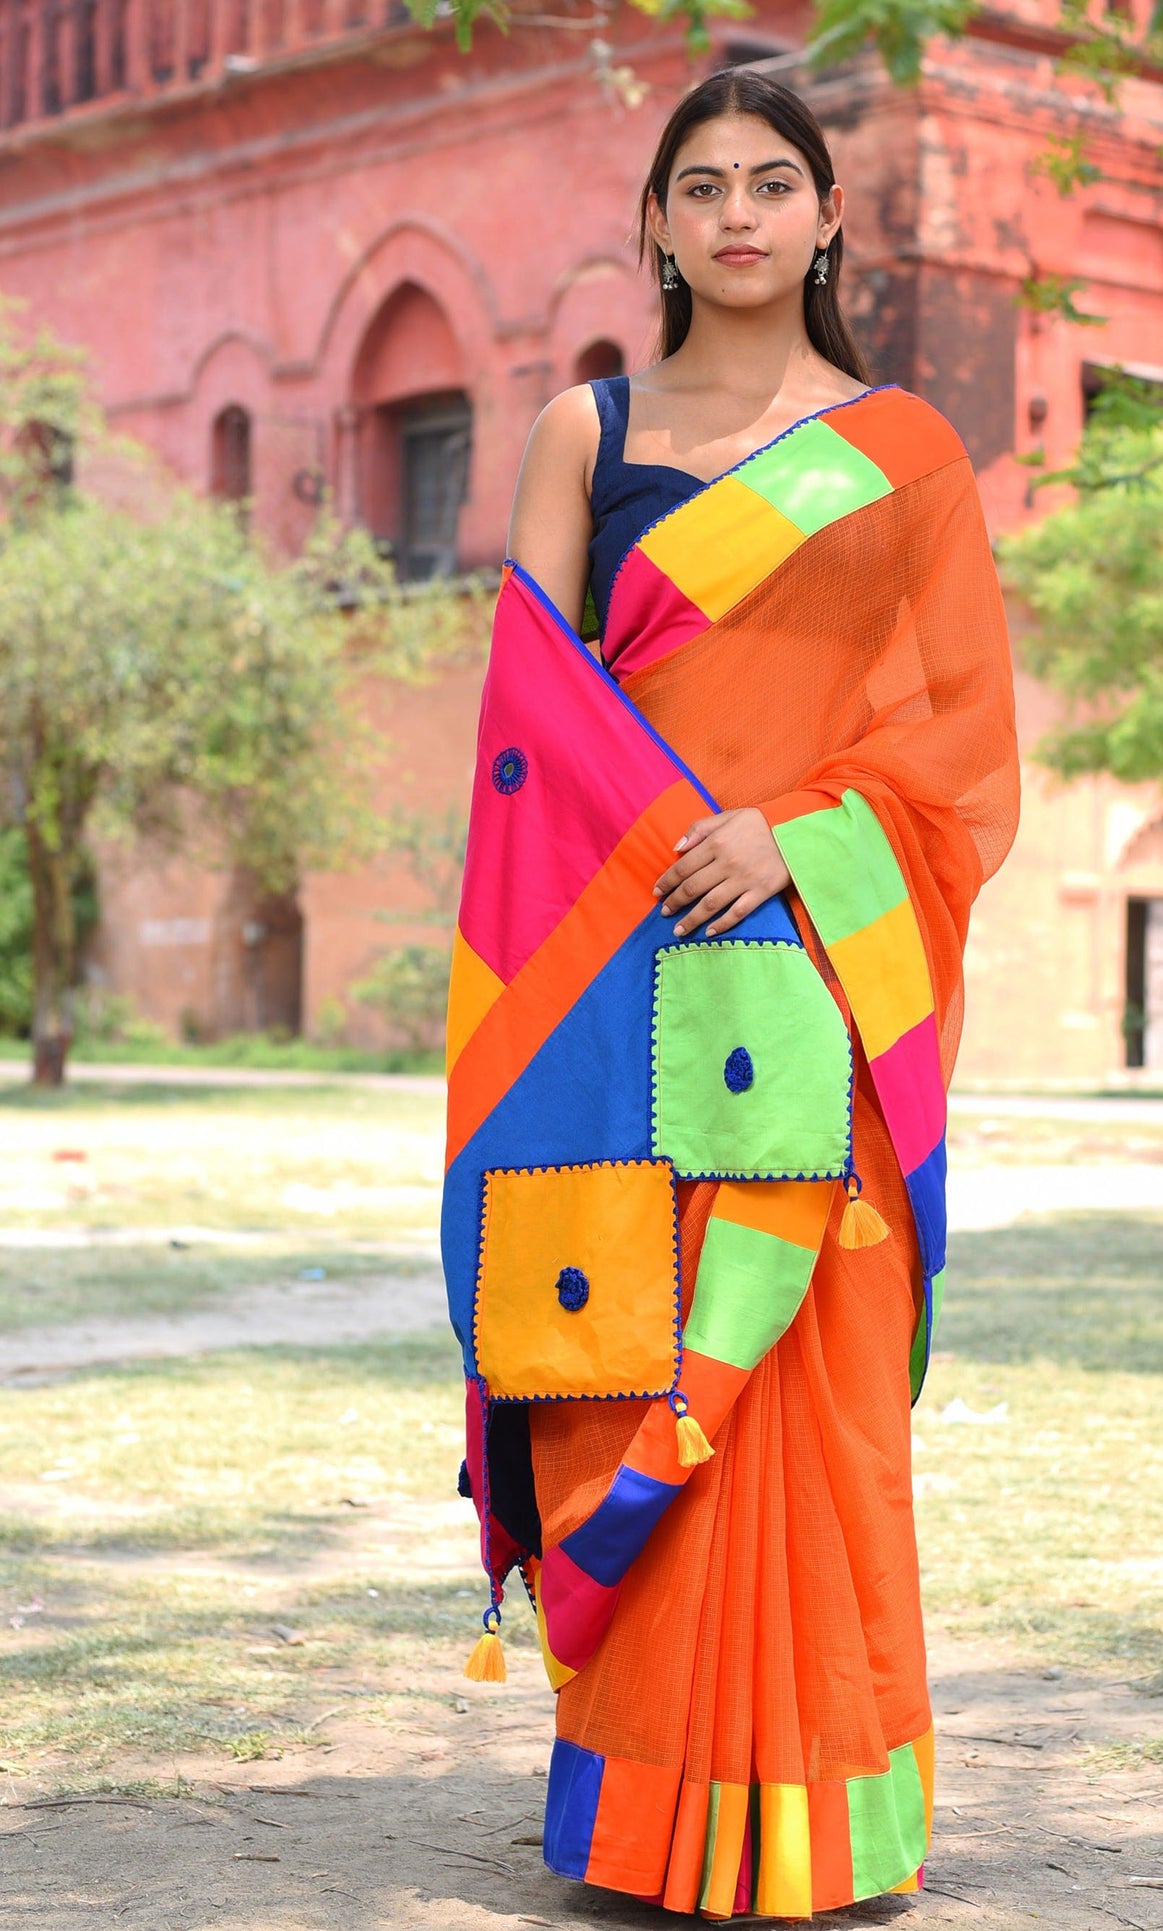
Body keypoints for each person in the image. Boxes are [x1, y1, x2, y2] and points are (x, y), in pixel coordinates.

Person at [447, 66, 1019, 1920]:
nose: (742, 215)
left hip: (812, 973)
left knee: (805, 1394)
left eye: (776, 183)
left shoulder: (905, 454)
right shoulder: (578, 431)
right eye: (702, 187)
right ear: (659, 226)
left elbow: (960, 759)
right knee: (619, 1369)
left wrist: (794, 836)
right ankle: (642, 1823)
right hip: (608, 992)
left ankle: (819, 1814)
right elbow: (530, 729)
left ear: (831, 218)